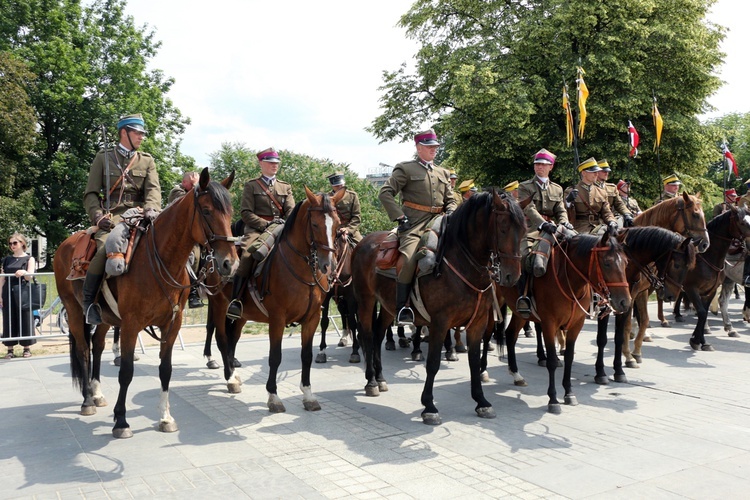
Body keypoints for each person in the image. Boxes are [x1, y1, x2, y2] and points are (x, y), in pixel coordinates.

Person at [82, 113, 162, 325]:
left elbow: (153, 191)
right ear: (123, 132)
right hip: (113, 217)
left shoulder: (147, 160)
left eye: (142, 133)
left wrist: (151, 209)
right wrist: (97, 217)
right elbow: (90, 193)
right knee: (103, 248)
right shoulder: (103, 157)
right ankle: (89, 302)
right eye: (137, 133)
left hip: (140, 215)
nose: (141, 137)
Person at [379, 128, 456, 326]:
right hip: (414, 224)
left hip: (440, 223)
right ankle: (403, 307)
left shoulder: (443, 172)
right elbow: (385, 193)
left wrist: (451, 212)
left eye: (436, 147)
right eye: (430, 147)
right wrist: (399, 217)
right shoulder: (405, 168)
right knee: (409, 258)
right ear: (419, 147)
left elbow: (450, 200)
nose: (434, 150)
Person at [227, 147, 295, 319]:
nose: (274, 166)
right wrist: (266, 224)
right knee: (248, 255)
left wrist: (286, 224)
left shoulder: (285, 186)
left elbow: (291, 212)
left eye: (276, 163)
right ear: (261, 163)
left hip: (281, 228)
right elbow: (246, 213)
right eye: (271, 162)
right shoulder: (251, 186)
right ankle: (236, 300)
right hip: (257, 230)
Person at [515, 148, 575, 316]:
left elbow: (561, 209)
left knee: (577, 247)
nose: (539, 167)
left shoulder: (557, 188)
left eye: (543, 164)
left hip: (554, 228)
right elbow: (528, 208)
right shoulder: (525, 186)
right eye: (537, 164)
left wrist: (565, 222)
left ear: (551, 167)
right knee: (524, 257)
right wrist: (542, 224)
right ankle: (523, 297)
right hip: (531, 230)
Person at [167, 171, 204, 308]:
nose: (198, 186)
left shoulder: (196, 193)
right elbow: (186, 205)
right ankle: (192, 291)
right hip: (175, 235)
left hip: (191, 233)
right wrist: (196, 186)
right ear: (184, 183)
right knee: (192, 256)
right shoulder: (176, 191)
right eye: (194, 182)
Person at [0, 233, 36, 358]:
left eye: (15, 243)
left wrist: (24, 272)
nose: (12, 246)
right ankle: (10, 349)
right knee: (8, 318)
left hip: (23, 290)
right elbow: (2, 278)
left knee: (25, 317)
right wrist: (0, 295)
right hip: (8, 291)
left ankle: (26, 348)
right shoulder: (6, 260)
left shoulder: (29, 259)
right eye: (10, 243)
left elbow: (30, 276)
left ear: (22, 243)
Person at [564, 157, 618, 235]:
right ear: (584, 173)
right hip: (580, 228)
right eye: (593, 172)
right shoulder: (570, 191)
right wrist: (568, 201)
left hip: (599, 227)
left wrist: (612, 221)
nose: (596, 174)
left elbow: (606, 212)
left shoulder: (601, 192)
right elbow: (564, 212)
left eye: (597, 172)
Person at [595, 160, 634, 227]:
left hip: (611, 220)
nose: (606, 173)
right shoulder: (591, 187)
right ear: (597, 172)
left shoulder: (612, 188)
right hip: (595, 221)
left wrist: (627, 214)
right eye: (604, 171)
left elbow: (619, 204)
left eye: (608, 171)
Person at [327, 172, 363, 245]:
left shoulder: (352, 196)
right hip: (331, 231)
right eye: (337, 185)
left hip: (350, 230)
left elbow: (356, 217)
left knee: (364, 248)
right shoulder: (326, 198)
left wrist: (348, 229)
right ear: (332, 185)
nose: (340, 187)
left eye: (341, 185)